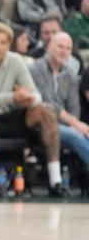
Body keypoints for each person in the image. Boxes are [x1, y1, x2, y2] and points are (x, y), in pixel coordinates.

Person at [0, 21, 66, 197]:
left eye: (3, 42)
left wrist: (28, 97)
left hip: (12, 115)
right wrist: (12, 97)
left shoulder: (16, 60)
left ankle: (55, 180)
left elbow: (36, 95)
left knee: (46, 110)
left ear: (9, 44)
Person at [31, 32, 89, 178]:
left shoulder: (70, 75)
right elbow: (48, 102)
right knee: (75, 135)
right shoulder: (36, 69)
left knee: (80, 133)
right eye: (60, 47)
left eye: (68, 48)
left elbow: (74, 107)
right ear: (49, 46)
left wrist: (74, 123)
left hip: (66, 125)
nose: (64, 52)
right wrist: (76, 124)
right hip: (40, 122)